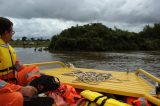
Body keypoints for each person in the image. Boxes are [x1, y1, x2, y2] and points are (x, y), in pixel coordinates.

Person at [0, 17, 58, 106]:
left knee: (32, 68)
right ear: (5, 32)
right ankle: (25, 97)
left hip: (9, 83)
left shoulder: (6, 46)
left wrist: (36, 76)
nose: (12, 35)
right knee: (16, 97)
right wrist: (20, 89)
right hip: (3, 88)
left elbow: (17, 66)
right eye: (11, 32)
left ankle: (34, 90)